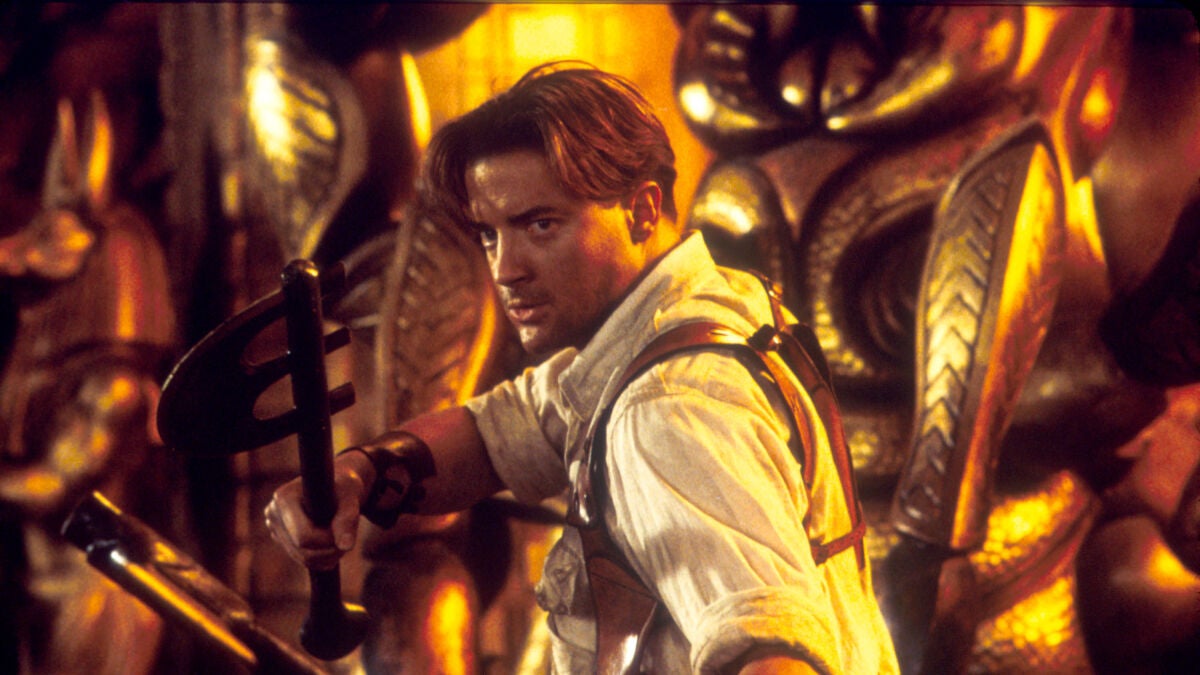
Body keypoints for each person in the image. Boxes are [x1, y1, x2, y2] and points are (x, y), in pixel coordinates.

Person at [265, 62, 899, 674]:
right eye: (490, 234)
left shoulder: (668, 409)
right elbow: (495, 434)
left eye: (540, 225)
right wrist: (358, 475)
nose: (505, 269)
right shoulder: (689, 318)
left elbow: (773, 659)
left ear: (642, 212)